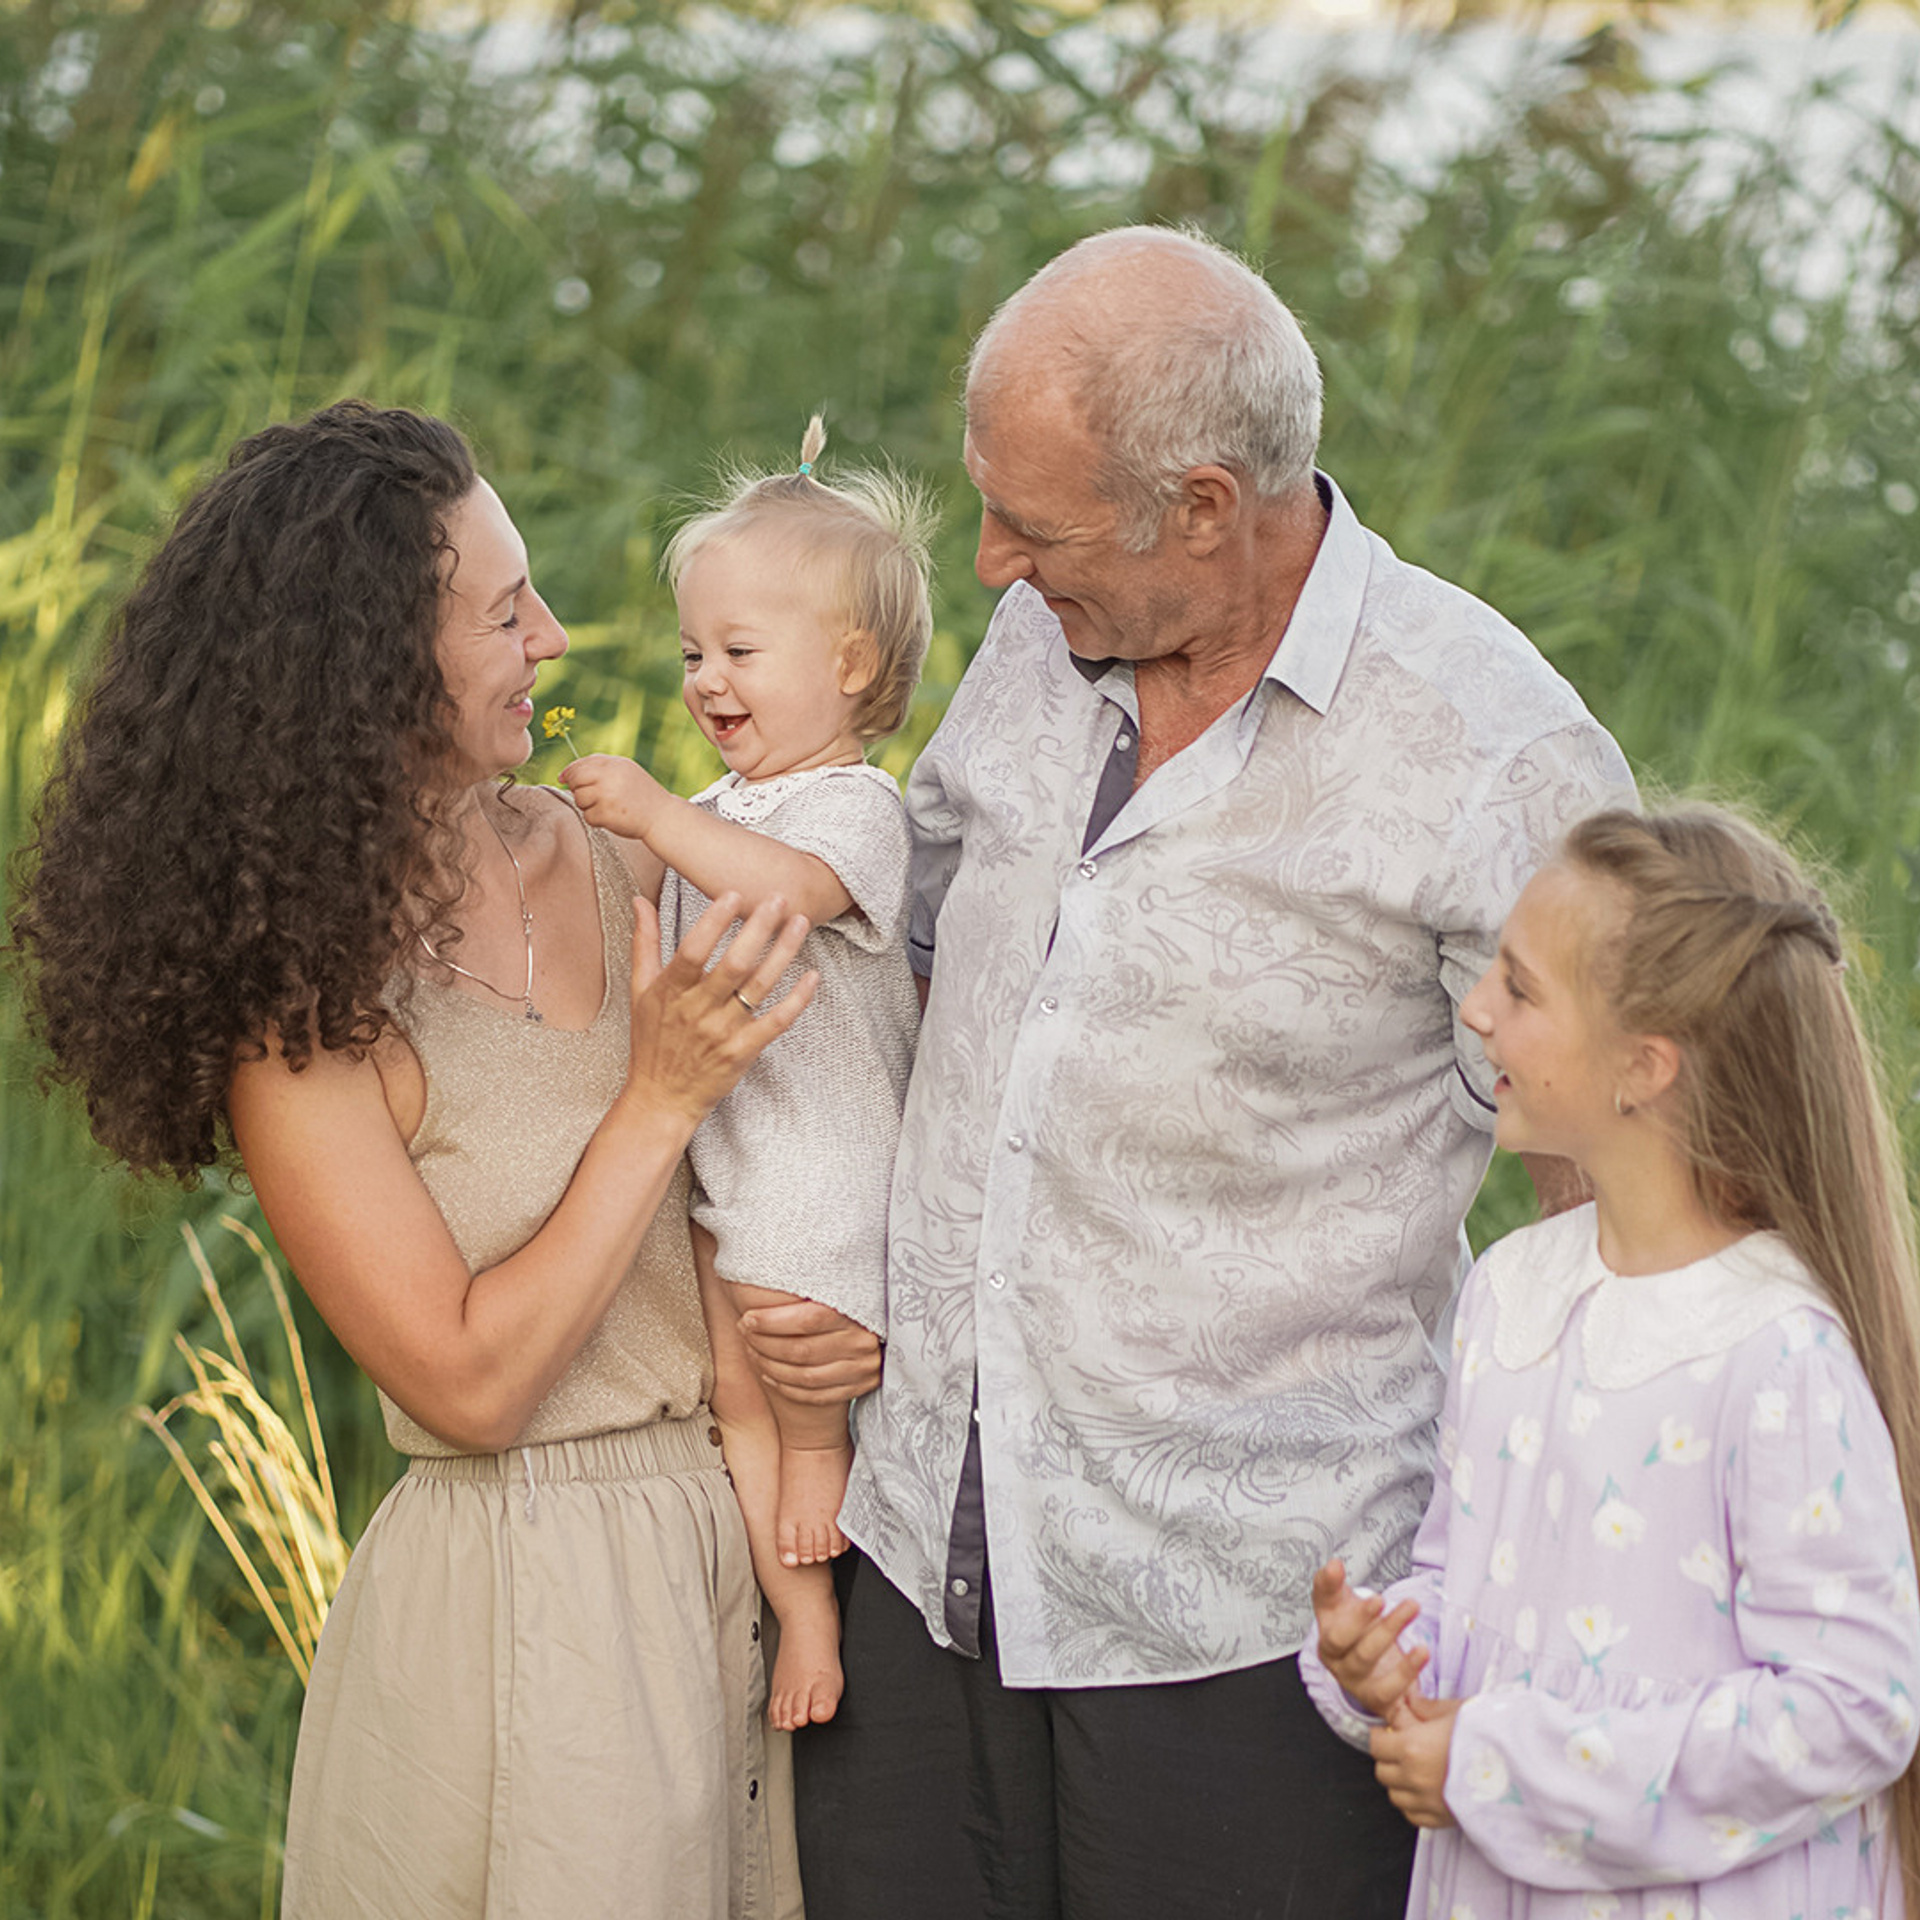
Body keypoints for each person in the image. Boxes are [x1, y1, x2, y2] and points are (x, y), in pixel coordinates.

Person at [790, 225, 1634, 1919]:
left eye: (1031, 526)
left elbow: (1618, 1188)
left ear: (1204, 505)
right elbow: (928, 938)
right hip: (910, 1564)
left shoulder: (1491, 752)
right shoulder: (1042, 640)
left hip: (1247, 1633)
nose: (988, 568)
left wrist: (1557, 1611)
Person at [8, 399, 880, 1919]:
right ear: (369, 664)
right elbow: (467, 1387)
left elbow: (838, 1098)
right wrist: (655, 1099)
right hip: (523, 1607)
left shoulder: (625, 859)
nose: (551, 637)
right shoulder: (307, 1025)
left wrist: (852, 1316)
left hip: (740, 1550)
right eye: (502, 608)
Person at [1304, 803, 1920, 1918]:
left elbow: (1854, 1706)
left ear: (1643, 1067)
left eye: (1523, 989)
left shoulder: (1774, 1353)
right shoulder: (1513, 1293)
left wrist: (1506, 1768)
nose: (1478, 1010)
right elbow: (1468, 1586)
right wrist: (1396, 1657)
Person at [563, 415, 933, 1730]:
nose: (706, 679)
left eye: (737, 651)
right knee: (733, 1391)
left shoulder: (855, 807)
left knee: (790, 1370)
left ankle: (826, 1478)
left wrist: (657, 817)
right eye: (690, 653)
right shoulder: (718, 809)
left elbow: (792, 890)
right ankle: (807, 1623)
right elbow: (649, 891)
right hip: (735, 1161)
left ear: (848, 664)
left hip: (824, 1161)